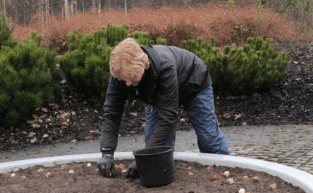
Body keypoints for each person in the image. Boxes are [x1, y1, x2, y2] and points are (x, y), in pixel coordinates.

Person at [98, 37, 229, 178]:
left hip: (193, 83)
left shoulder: (164, 66)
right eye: (124, 80)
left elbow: (168, 118)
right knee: (155, 148)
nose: (127, 84)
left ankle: (228, 168)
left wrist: (144, 156)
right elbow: (112, 113)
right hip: (158, 95)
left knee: (209, 139)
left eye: (131, 78)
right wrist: (107, 153)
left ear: (142, 65)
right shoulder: (119, 73)